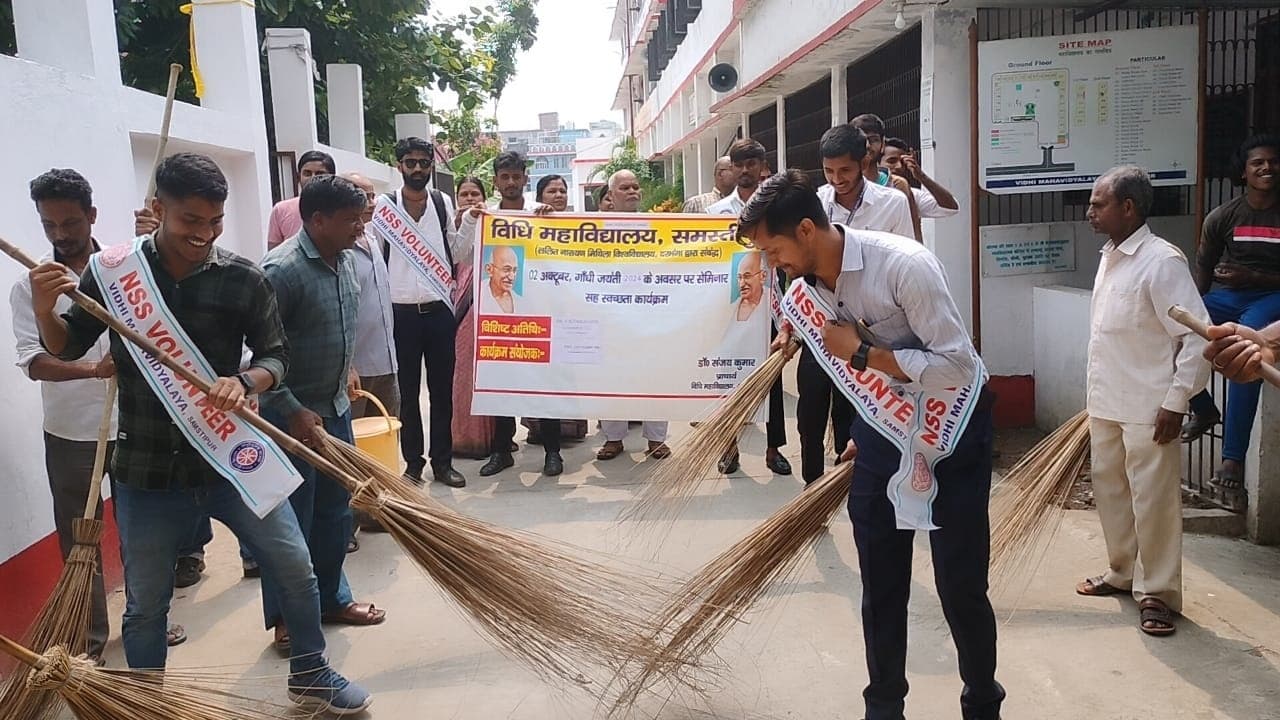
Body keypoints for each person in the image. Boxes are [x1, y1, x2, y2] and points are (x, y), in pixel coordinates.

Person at [28, 153, 370, 712]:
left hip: (231, 457)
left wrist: (245, 380)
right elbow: (66, 344)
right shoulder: (113, 273)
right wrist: (47, 311)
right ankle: (148, 703)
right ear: (158, 209)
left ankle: (311, 671)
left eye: (215, 221)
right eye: (191, 221)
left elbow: (276, 357)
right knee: (146, 603)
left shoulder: (242, 277)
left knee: (294, 566)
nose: (205, 235)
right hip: (148, 469)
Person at [753, 169, 1004, 720]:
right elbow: (857, 380)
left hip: (953, 427)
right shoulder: (802, 287)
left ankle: (982, 701)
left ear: (805, 230)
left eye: (775, 251)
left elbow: (958, 366)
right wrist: (871, 426)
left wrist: (865, 356)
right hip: (884, 429)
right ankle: (884, 705)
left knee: (959, 581)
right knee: (882, 581)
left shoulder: (904, 266)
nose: (774, 265)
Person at [1076, 165, 1210, 638]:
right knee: (1111, 491)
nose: (1090, 212)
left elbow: (1198, 339)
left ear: (1128, 208)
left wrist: (1177, 401)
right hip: (1107, 397)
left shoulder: (1161, 261)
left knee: (1153, 502)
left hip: (1151, 405)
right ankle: (1121, 572)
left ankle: (1158, 593)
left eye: (1099, 204)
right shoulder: (1110, 255)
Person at [257, 174, 387, 652]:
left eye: (362, 217)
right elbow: (258, 355)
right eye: (351, 219)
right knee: (290, 523)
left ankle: (331, 598)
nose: (360, 226)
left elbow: (339, 322)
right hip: (288, 419)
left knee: (335, 513)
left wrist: (347, 366)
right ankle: (288, 618)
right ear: (317, 220)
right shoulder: (280, 271)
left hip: (333, 411)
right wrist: (291, 409)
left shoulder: (345, 258)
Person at [11, 169, 116, 662]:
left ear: (91, 216)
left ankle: (148, 618)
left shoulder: (122, 269)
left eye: (70, 222)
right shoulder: (31, 287)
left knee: (143, 530)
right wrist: (96, 368)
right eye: (49, 224)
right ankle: (90, 641)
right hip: (70, 431)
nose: (60, 234)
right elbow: (35, 363)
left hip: (132, 423)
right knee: (80, 540)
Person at [793, 124, 911, 487]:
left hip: (865, 327)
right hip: (820, 322)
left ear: (864, 162)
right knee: (810, 410)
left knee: (852, 414)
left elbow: (904, 257)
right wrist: (790, 323)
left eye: (844, 170)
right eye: (829, 171)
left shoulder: (892, 203)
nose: (837, 179)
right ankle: (811, 487)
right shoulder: (817, 202)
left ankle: (848, 485)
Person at [1179, 135, 1280, 491]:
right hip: (1229, 297)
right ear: (1243, 172)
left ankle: (1232, 460)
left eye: (1273, 161)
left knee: (1245, 352)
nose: (1267, 167)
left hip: (1272, 297)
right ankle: (1202, 408)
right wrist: (1193, 313)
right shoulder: (1223, 216)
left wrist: (1253, 276)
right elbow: (1203, 269)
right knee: (1167, 330)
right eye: (1258, 163)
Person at [476, 155, 567, 477]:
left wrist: (551, 219)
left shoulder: (538, 215)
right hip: (498, 319)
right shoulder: (485, 218)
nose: (511, 182)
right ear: (496, 181)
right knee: (501, 384)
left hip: (538, 316)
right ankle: (502, 451)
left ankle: (552, 452)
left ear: (526, 179)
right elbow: (461, 254)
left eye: (516, 176)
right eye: (504, 176)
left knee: (544, 384)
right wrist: (470, 222)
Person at [707, 139, 791, 476]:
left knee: (770, 381)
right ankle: (730, 446)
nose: (744, 170)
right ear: (730, 169)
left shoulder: (778, 208)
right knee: (727, 377)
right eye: (738, 164)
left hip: (769, 306)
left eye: (751, 163)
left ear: (762, 166)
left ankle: (773, 450)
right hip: (730, 308)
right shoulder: (715, 215)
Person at [387, 137, 468, 488]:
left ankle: (443, 462)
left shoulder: (441, 202)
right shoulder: (384, 206)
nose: (417, 169)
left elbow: (456, 250)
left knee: (441, 392)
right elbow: (377, 261)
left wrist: (473, 224)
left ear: (431, 166)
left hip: (438, 313)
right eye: (410, 162)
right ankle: (413, 464)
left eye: (423, 162)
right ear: (399, 165)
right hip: (400, 314)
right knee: (407, 393)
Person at [597, 170, 672, 461]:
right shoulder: (595, 228)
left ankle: (656, 439)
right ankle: (613, 439)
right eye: (624, 187)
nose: (632, 191)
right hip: (611, 315)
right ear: (611, 195)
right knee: (611, 377)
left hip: (650, 312)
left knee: (654, 375)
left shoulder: (659, 226)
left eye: (635, 187)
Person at [521, 174, 589, 448]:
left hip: (570, 312)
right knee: (538, 378)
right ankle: (539, 431)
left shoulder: (580, 226)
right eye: (552, 191)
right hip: (537, 313)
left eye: (563, 191)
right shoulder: (530, 222)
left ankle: (567, 433)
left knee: (565, 375)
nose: (559, 195)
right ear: (540, 197)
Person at [450, 176, 498, 459]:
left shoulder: (496, 221)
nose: (469, 199)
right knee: (463, 373)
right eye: (464, 194)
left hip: (489, 303)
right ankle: (465, 438)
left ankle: (497, 439)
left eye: (474, 193)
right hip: (459, 306)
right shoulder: (449, 225)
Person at [849, 114, 922, 240]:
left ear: (883, 144)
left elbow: (913, 233)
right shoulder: (840, 185)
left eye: (873, 140)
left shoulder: (898, 186)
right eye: (861, 140)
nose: (867, 146)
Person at [267, 150, 335, 249]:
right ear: (299, 177)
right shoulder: (281, 210)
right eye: (307, 173)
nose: (313, 178)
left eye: (320, 173)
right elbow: (273, 252)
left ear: (332, 178)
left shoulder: (341, 209)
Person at [881, 138, 959, 219]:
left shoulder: (911, 195)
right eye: (891, 161)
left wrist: (921, 176)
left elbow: (951, 207)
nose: (899, 167)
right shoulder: (868, 191)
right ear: (877, 163)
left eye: (903, 163)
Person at [480, 245, 520, 314]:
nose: (512, 277)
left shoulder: (521, 302)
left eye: (514, 270)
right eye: (506, 269)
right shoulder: (478, 293)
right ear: (489, 270)